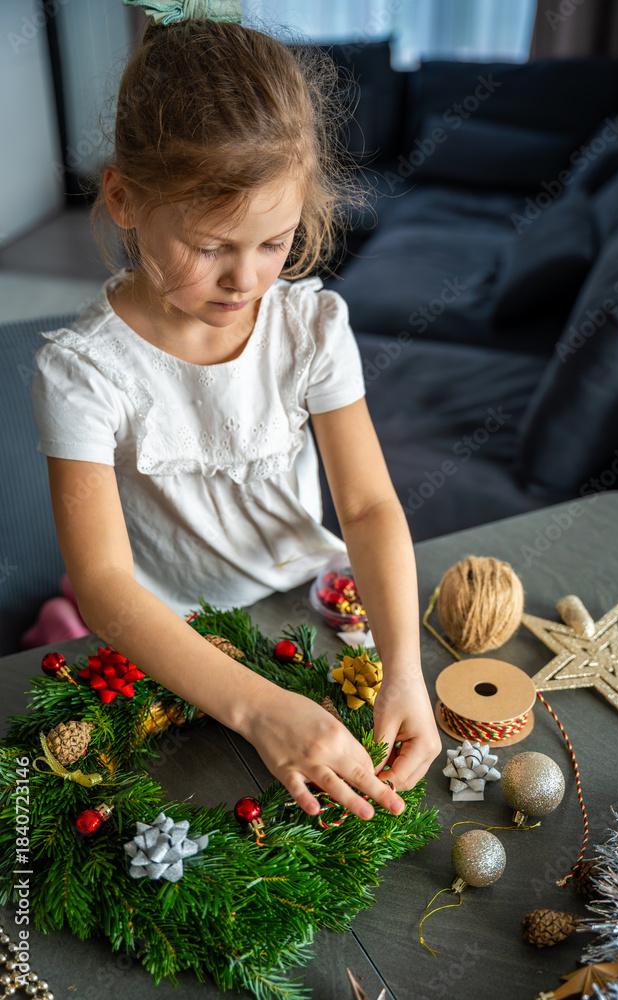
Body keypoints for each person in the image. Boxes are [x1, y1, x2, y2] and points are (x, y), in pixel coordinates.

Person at [31, 0, 441, 822]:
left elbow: (364, 506)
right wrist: (255, 709)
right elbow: (110, 586)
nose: (245, 279)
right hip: (168, 641)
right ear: (123, 198)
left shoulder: (310, 329)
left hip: (304, 607)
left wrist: (405, 669)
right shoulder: (81, 373)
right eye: (212, 246)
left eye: (273, 242)